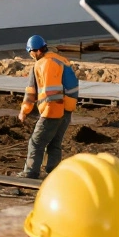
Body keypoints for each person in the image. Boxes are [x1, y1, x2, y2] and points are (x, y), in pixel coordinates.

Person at [16, 35, 79, 179]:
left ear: (37, 51)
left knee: (36, 142)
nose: (31, 55)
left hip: (52, 109)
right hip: (67, 109)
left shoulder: (40, 64)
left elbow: (31, 92)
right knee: (55, 143)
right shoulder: (61, 60)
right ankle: (54, 173)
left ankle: (30, 173)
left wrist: (24, 111)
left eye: (30, 52)